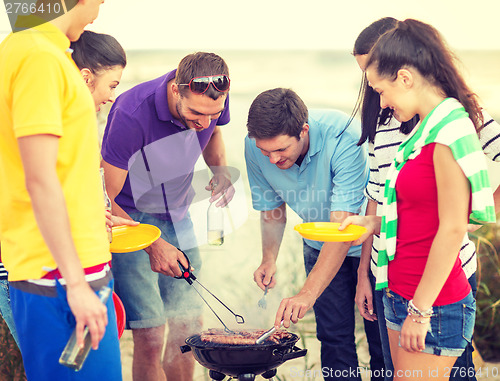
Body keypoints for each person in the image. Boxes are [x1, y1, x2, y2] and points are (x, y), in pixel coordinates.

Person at [340, 19, 495, 381]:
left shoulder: (449, 129)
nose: (381, 101)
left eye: (381, 89)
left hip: (431, 303)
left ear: (405, 79)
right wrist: (371, 223)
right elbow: (416, 212)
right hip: (398, 289)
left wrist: (420, 311)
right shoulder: (425, 127)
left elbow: (452, 227)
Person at [0, 1, 122, 380]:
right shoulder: (40, 58)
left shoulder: (19, 49)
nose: (98, 12)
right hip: (61, 274)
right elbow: (40, 178)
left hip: (49, 266)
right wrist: (77, 283)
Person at [100, 51, 233, 381]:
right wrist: (152, 244)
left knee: (187, 325)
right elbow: (103, 198)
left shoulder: (213, 98)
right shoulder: (131, 113)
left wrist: (220, 171)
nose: (204, 121)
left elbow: (214, 132)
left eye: (213, 114)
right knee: (151, 334)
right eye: (196, 114)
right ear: (176, 89)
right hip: (128, 218)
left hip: (178, 214)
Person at [245, 87, 385, 381]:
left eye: (281, 150)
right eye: (265, 151)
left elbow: (341, 229)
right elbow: (272, 207)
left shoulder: (345, 136)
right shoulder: (254, 144)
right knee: (334, 339)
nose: (272, 160)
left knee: (382, 342)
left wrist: (306, 294)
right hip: (317, 247)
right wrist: (268, 259)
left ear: (303, 130)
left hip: (370, 249)